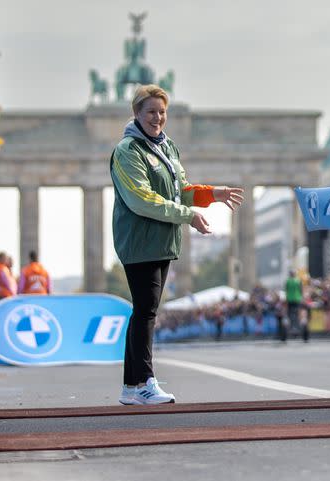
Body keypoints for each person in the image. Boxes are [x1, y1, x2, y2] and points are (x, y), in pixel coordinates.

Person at [111, 84, 244, 404]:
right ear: (136, 114)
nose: (157, 118)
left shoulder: (166, 147)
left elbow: (180, 190)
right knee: (146, 311)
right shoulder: (128, 151)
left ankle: (131, 387)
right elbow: (143, 199)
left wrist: (212, 194)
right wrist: (189, 216)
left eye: (162, 112)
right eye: (151, 112)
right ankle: (144, 381)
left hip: (162, 241)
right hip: (140, 241)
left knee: (144, 310)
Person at [283, 270, 309, 342]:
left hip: (290, 300)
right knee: (299, 314)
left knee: (290, 314)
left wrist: (286, 298)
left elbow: (286, 290)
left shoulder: (288, 281)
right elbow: (301, 290)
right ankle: (298, 325)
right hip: (297, 300)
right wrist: (302, 298)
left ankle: (291, 326)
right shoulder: (298, 281)